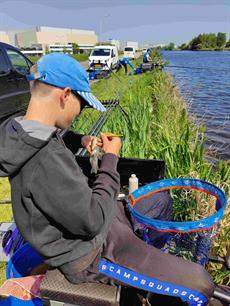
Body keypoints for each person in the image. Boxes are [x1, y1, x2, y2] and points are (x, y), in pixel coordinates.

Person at [0, 53, 214, 305]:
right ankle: (143, 280)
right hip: (89, 254)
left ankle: (146, 263)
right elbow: (93, 221)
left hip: (99, 225)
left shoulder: (18, 127)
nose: (80, 112)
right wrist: (110, 159)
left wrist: (80, 139)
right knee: (202, 284)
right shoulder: (46, 160)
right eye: (83, 104)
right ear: (66, 95)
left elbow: (54, 135)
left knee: (160, 201)